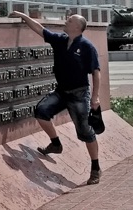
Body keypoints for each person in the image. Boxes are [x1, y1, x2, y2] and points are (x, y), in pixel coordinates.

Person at [10, 10, 105, 185]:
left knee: (85, 132)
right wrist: (23, 16)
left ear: (77, 27)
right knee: (41, 111)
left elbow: (96, 72)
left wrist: (95, 97)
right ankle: (55, 144)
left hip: (79, 94)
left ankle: (95, 168)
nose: (66, 22)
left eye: (69, 20)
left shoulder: (86, 46)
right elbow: (40, 29)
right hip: (61, 91)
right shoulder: (60, 40)